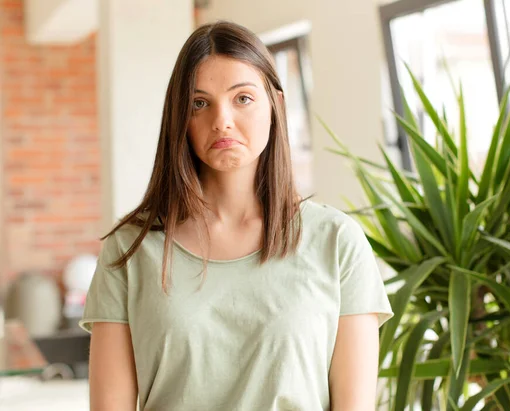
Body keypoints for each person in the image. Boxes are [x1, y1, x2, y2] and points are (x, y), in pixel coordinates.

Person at [80, 20, 393, 411]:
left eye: (242, 98)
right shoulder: (129, 248)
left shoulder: (337, 241)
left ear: (276, 104)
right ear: (181, 118)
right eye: (199, 103)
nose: (221, 120)